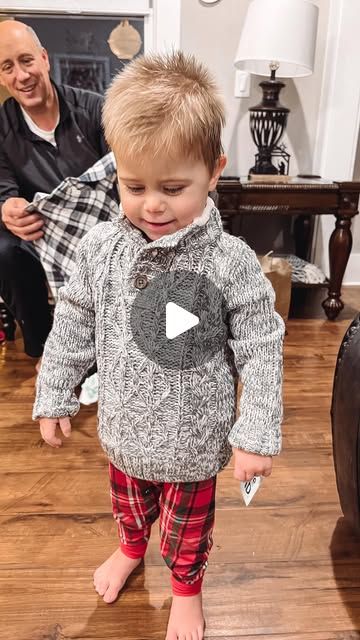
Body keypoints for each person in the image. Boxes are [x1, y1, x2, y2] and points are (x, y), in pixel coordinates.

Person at [33, 52, 284, 640]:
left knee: (186, 527)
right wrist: (54, 392)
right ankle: (128, 549)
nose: (152, 205)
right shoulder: (101, 249)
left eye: (173, 187)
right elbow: (72, 322)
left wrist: (256, 432)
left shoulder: (230, 263)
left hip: (195, 437)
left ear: (214, 170)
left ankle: (185, 589)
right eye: (134, 185)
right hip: (123, 427)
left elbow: (261, 344)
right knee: (128, 504)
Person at [0, 20, 108, 365]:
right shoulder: (0, 128)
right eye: (7, 67)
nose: (21, 75)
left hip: (102, 230)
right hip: (41, 236)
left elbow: (124, 175)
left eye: (26, 60)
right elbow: (4, 192)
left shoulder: (94, 110)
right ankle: (45, 349)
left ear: (44, 59)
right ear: (1, 77)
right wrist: (7, 208)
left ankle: (106, 348)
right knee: (3, 249)